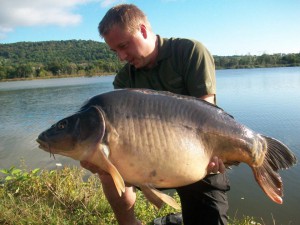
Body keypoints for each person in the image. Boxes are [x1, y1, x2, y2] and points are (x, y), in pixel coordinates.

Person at [81, 4, 230, 225]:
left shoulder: (189, 52)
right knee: (106, 167)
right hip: (149, 160)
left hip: (196, 157)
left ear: (142, 30)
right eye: (115, 51)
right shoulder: (124, 80)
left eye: (123, 46)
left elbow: (207, 118)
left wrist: (213, 153)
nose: (121, 57)